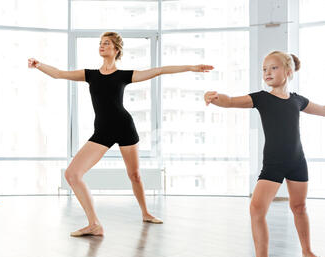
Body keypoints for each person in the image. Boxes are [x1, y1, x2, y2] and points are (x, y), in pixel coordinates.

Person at [204, 51, 325, 257]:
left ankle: (307, 252)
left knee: (299, 207)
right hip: (273, 164)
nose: (267, 73)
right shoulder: (261, 98)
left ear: (288, 72)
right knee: (257, 208)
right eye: (264, 69)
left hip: (297, 161)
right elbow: (230, 102)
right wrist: (215, 97)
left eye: (273, 68)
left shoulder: (297, 100)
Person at [28, 31, 213, 237]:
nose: (102, 46)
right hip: (102, 131)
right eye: (100, 43)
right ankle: (94, 224)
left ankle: (146, 213)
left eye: (106, 43)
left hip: (124, 126)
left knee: (134, 175)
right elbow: (59, 74)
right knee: (72, 174)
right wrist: (39, 65)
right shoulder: (90, 75)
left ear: (116, 49)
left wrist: (191, 67)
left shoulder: (124, 75)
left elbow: (159, 70)